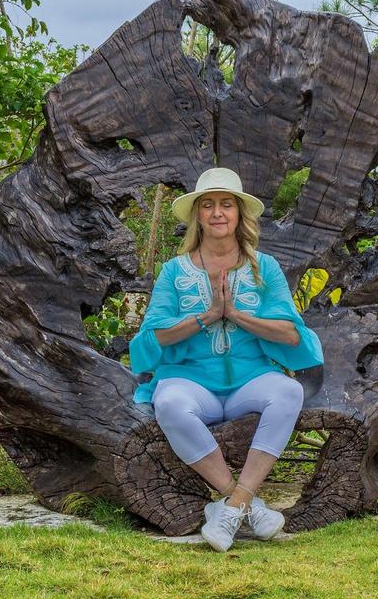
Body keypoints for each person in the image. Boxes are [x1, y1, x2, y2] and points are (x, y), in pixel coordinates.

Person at [129, 167, 324, 551]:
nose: (218, 213)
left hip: (250, 380)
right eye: (208, 205)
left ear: (239, 214)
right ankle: (245, 504)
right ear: (198, 215)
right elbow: (155, 336)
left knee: (287, 391)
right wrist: (207, 315)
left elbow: (290, 332)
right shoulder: (175, 271)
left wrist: (236, 315)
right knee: (168, 403)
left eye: (226, 205)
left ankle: (233, 506)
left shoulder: (262, 267)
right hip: (190, 380)